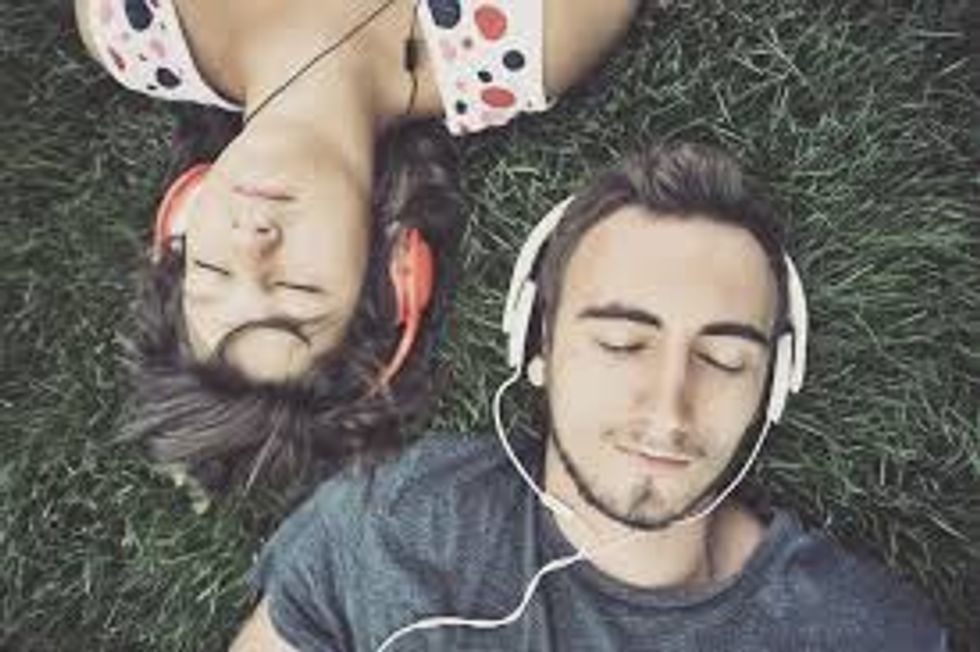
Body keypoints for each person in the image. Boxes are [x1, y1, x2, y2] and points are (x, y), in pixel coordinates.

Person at [230, 142, 947, 650]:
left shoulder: (865, 632)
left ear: (774, 385)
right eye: (623, 344)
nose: (669, 409)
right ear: (535, 345)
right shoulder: (398, 525)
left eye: (724, 359)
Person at [73, 0, 639, 498]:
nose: (251, 241)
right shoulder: (531, 33)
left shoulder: (129, 29)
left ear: (181, 220)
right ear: (389, 268)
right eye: (296, 287)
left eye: (213, 268)